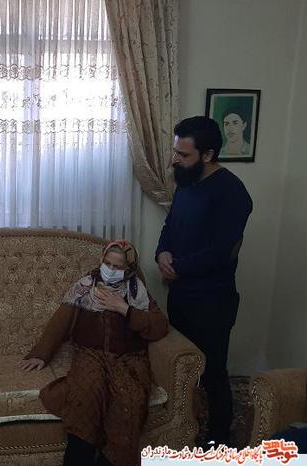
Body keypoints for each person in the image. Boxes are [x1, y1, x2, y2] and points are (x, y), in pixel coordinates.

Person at [21, 241, 168, 466]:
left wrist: (124, 309)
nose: (110, 270)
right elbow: (60, 321)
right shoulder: (85, 285)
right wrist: (41, 354)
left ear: (129, 269)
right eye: (107, 263)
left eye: (117, 266)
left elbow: (159, 327)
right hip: (90, 354)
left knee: (130, 401)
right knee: (85, 393)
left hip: (128, 360)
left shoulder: (136, 290)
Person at [157, 116, 253, 446]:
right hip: (180, 294)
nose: (175, 159)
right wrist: (161, 253)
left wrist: (178, 266)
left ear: (208, 155)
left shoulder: (232, 192)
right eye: (175, 151)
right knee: (182, 367)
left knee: (212, 372)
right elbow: (170, 225)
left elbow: (221, 251)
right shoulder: (186, 182)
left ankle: (219, 439)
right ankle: (184, 426)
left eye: (183, 154)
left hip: (212, 301)